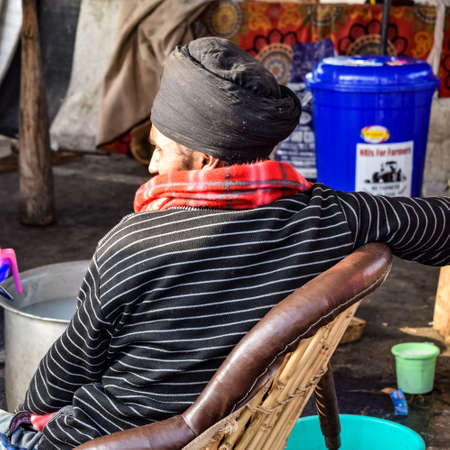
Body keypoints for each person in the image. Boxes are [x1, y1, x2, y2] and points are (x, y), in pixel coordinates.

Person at [1, 37, 448, 450]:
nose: (151, 163)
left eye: (160, 147)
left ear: (205, 159)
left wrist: (25, 414)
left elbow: (69, 367)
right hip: (222, 433)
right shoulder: (329, 217)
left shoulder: (132, 244)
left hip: (106, 438)